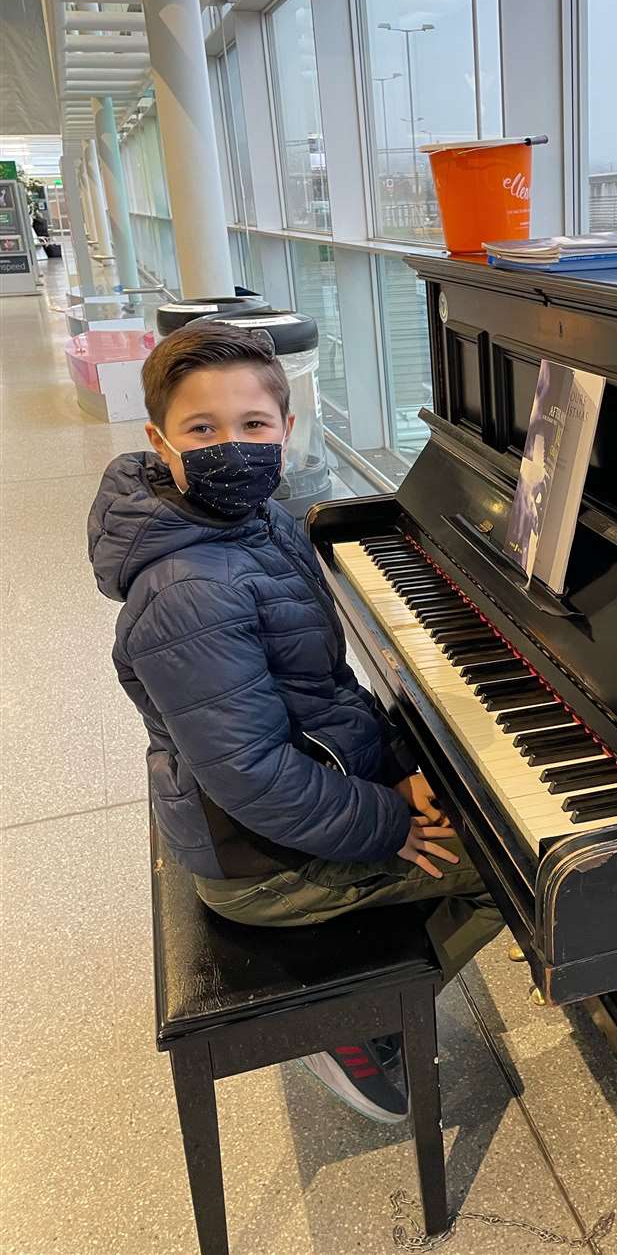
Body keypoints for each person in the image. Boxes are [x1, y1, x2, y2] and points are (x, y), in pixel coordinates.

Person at [88, 322, 503, 1123]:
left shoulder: (256, 519)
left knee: (463, 793)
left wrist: (393, 754)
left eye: (253, 425)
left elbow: (307, 688)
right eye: (202, 430)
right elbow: (255, 778)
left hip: (285, 795)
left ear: (285, 427)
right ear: (158, 441)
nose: (233, 446)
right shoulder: (186, 589)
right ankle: (364, 1025)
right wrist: (386, 819)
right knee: (504, 874)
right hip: (261, 861)